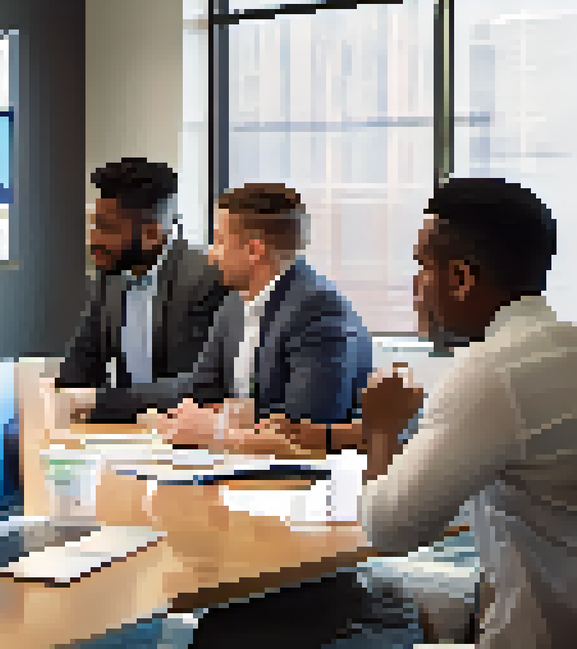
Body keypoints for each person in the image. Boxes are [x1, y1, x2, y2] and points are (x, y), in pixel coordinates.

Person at [360, 178, 577, 647]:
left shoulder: (493, 371)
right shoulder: (562, 347)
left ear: (461, 277)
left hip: (530, 635)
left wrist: (380, 429)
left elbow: (389, 529)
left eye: (422, 265)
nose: (417, 283)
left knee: (358, 613)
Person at [155, 183, 373, 452]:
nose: (211, 253)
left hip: (302, 481)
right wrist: (102, 401)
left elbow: (308, 424)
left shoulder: (319, 308)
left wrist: (222, 424)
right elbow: (201, 389)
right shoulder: (234, 303)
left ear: (254, 250)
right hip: (239, 468)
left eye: (220, 240)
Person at [56, 158, 231, 422]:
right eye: (93, 224)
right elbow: (82, 362)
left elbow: (203, 385)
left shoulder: (208, 278)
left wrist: (101, 400)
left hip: (186, 438)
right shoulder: (112, 275)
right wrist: (60, 395)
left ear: (151, 233)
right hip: (129, 434)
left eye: (106, 228)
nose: (94, 239)